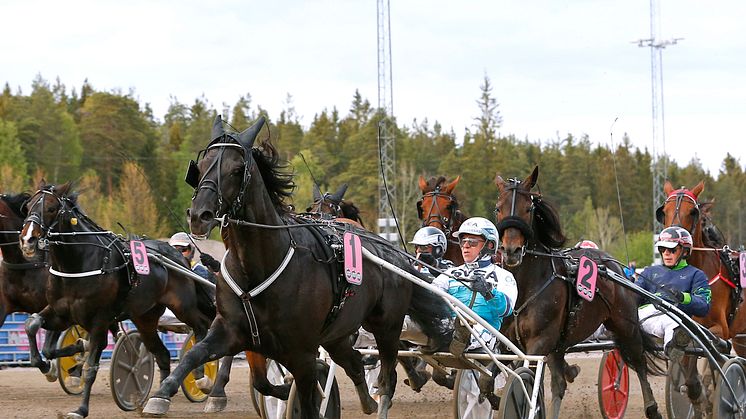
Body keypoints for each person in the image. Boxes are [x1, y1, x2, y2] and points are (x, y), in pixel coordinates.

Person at [432, 217, 518, 353]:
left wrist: (488, 292)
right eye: (463, 241)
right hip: (447, 325)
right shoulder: (451, 273)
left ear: (489, 245)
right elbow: (432, 294)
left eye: (472, 242)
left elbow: (506, 310)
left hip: (483, 331)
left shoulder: (503, 276)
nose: (465, 246)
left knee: (463, 331)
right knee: (408, 323)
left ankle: (457, 338)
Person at [636, 226, 711, 357]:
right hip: (644, 315)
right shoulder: (650, 272)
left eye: (671, 249)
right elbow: (635, 295)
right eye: (662, 249)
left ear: (685, 251)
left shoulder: (696, 275)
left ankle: (673, 347)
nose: (666, 253)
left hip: (673, 316)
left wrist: (683, 297)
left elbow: (704, 306)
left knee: (674, 323)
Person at [159, 232, 220, 329]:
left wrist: (214, 267)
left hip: (195, 312)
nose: (178, 254)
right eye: (174, 250)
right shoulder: (162, 271)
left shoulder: (199, 270)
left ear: (191, 250)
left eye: (183, 250)